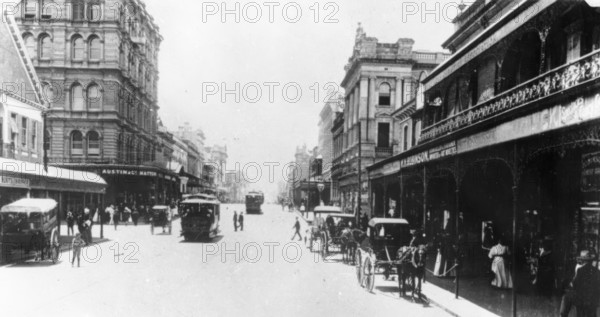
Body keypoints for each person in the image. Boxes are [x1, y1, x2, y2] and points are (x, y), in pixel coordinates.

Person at [572, 250, 600, 317]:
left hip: (582, 300)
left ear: (583, 260)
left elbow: (575, 284)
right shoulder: (597, 271)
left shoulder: (580, 270)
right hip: (593, 300)